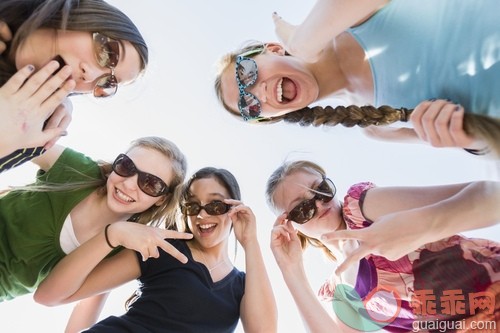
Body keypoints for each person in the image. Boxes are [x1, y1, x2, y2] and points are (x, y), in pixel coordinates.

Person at [214, 0, 500, 157]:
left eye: (247, 73)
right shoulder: (376, 128)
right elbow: (483, 144)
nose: (258, 93)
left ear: (274, 48)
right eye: (250, 107)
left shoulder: (351, 18)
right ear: (270, 117)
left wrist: (301, 43)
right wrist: (465, 137)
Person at [33, 167, 278, 333]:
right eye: (192, 206)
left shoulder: (243, 286)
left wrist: (250, 242)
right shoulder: (161, 247)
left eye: (215, 205)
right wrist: (111, 235)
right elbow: (53, 295)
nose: (202, 214)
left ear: (234, 208)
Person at [265, 160, 500, 332]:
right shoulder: (342, 290)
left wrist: (420, 227)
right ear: (291, 225)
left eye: (322, 190)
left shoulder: (364, 208)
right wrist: (291, 269)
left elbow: (491, 197)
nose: (318, 202)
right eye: (302, 208)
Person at [0, 136, 192, 303]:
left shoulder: (123, 251)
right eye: (126, 166)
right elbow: (18, 138)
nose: (128, 184)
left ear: (162, 199)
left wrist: (112, 235)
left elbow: (56, 298)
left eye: (150, 183)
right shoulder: (77, 170)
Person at [0, 0, 148, 172]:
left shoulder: (37, 134)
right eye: (108, 52)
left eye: (107, 83)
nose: (89, 76)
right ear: (85, 14)